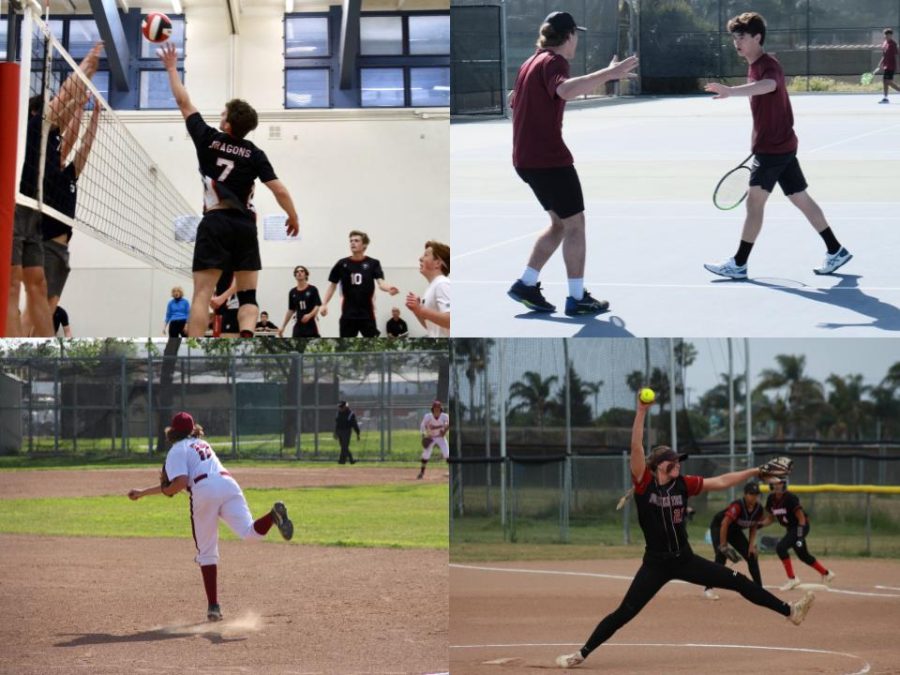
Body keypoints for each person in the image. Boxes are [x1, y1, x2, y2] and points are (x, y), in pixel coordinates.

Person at [555, 397, 815, 669]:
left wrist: (755, 471)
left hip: (685, 560)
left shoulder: (683, 484)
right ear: (658, 467)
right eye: (673, 463)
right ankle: (581, 654)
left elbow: (721, 481)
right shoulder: (644, 484)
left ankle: (791, 611)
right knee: (625, 612)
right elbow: (635, 447)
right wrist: (641, 412)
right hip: (655, 564)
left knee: (739, 581)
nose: (678, 465)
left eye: (678, 462)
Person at [158, 42, 300, 338]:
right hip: (245, 225)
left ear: (227, 121)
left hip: (215, 223)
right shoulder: (254, 152)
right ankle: (247, 339)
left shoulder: (208, 138)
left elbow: (184, 102)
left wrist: (172, 68)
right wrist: (292, 216)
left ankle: (193, 354)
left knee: (201, 294)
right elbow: (280, 190)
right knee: (248, 297)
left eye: (222, 113)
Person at [505, 12, 638, 317]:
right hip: (548, 159)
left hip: (525, 159)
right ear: (568, 37)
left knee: (559, 224)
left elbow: (514, 102)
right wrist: (609, 74)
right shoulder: (553, 62)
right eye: (575, 34)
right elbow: (564, 90)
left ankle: (526, 284)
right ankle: (577, 298)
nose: (577, 39)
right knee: (576, 225)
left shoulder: (529, 63)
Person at [703, 12, 852, 280]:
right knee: (800, 198)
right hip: (777, 145)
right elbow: (762, 108)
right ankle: (836, 249)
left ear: (757, 37)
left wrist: (731, 91)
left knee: (754, 204)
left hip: (774, 149)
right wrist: (756, 141)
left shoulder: (768, 65)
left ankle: (738, 263)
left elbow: (769, 86)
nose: (737, 42)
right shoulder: (754, 65)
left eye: (742, 37)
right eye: (734, 37)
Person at [127, 411, 293, 622]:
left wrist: (167, 490)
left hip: (204, 489)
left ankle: (214, 607)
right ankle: (272, 516)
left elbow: (179, 483)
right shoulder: (202, 444)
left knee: (207, 552)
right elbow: (184, 479)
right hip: (228, 483)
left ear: (172, 432)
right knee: (251, 533)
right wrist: (142, 493)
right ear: (192, 428)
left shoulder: (177, 450)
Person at [8, 43, 103, 337]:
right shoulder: (35, 131)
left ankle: (40, 354)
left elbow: (71, 124)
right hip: (19, 216)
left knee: (39, 288)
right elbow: (64, 98)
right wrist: (86, 67)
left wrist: (85, 106)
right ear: (37, 112)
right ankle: (8, 354)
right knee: (13, 287)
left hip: (37, 224)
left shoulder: (51, 144)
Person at [39, 94, 101, 320]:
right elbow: (71, 138)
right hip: (46, 248)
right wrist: (78, 106)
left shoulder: (70, 175)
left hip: (61, 252)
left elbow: (85, 144)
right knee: (41, 309)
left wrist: (94, 115)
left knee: (49, 310)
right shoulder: (45, 175)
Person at [760, 476, 836, 590]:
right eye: (775, 483)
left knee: (781, 548)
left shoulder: (790, 498)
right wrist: (758, 525)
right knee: (803, 555)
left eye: (779, 483)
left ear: (784, 484)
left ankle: (792, 579)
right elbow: (770, 519)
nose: (777, 486)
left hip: (801, 526)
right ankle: (826, 573)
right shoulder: (771, 499)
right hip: (791, 529)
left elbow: (801, 519)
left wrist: (799, 536)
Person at [320, 230, 398, 337]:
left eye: (356, 241)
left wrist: (389, 288)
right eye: (351, 241)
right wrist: (324, 304)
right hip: (348, 315)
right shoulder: (342, 264)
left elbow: (381, 282)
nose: (352, 243)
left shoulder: (373, 263)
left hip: (367, 315)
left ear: (364, 245)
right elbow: (332, 286)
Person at [702, 480, 765, 600]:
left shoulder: (758, 509)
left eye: (756, 494)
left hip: (734, 531)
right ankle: (708, 588)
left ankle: (759, 589)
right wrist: (723, 545)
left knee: (751, 555)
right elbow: (724, 524)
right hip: (719, 527)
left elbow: (753, 526)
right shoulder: (737, 506)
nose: (754, 497)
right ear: (745, 494)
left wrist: (752, 545)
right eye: (751, 494)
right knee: (721, 557)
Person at [405, 240, 450, 338]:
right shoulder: (433, 286)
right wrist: (416, 311)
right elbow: (430, 327)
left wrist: (421, 310)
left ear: (437, 263)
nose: (420, 258)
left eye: (426, 255)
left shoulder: (442, 284)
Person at [278, 265, 321, 337]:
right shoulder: (292, 292)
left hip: (312, 324)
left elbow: (317, 305)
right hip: (298, 325)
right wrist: (283, 326)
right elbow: (291, 310)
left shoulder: (313, 289)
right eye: (297, 272)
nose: (299, 273)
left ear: (306, 274)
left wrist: (309, 315)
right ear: (295, 275)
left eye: (302, 271)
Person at [417, 400, 449, 479]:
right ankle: (422, 472)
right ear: (432, 409)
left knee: (446, 454)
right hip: (431, 437)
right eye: (435, 408)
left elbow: (447, 425)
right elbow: (422, 426)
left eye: (438, 408)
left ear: (440, 409)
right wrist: (423, 435)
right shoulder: (428, 416)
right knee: (425, 454)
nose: (437, 409)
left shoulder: (445, 416)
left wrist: (444, 430)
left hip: (441, 438)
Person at [210, 271, 239, 337]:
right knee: (217, 335)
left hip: (232, 308)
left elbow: (238, 284)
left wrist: (221, 298)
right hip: (220, 309)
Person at [875, 28, 900, 103]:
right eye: (886, 34)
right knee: (884, 81)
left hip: (891, 66)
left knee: (888, 81)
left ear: (891, 35)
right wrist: (880, 64)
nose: (887, 36)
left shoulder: (893, 44)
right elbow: (884, 55)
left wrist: (898, 66)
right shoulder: (884, 43)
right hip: (886, 65)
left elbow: (896, 56)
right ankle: (885, 98)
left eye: (889, 35)